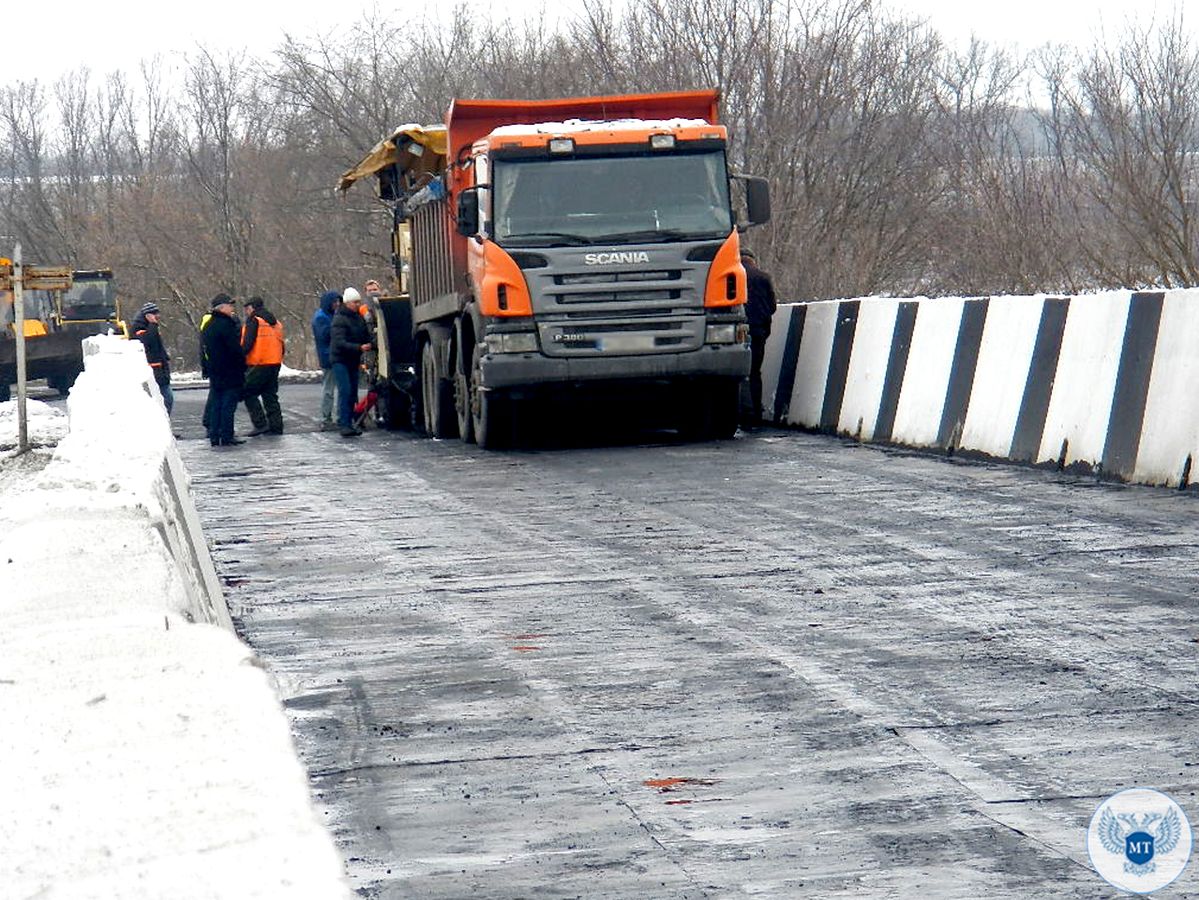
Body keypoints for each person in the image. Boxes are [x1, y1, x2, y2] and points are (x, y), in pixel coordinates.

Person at [202, 294, 246, 447]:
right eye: (230, 305)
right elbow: (234, 349)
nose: (232, 308)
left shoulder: (208, 325)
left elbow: (204, 349)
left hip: (215, 371)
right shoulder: (226, 325)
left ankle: (215, 435)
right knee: (228, 405)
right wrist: (242, 365)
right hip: (230, 371)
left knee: (216, 404)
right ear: (222, 307)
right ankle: (227, 435)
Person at [329, 287, 373, 437]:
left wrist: (370, 343)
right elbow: (339, 342)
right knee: (345, 390)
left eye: (358, 302)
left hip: (352, 359)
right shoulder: (339, 319)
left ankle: (349, 422)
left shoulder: (357, 317)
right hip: (340, 360)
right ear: (347, 303)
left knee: (352, 392)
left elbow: (364, 335)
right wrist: (359, 347)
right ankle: (344, 424)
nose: (357, 304)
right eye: (355, 302)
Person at [741, 248, 777, 428]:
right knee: (755, 371)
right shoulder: (764, 277)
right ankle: (756, 413)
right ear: (753, 260)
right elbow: (772, 307)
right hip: (758, 331)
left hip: (737, 330)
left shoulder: (733, 277)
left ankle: (743, 414)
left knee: (739, 374)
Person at [241, 296, 285, 436]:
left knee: (247, 392)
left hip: (259, 362)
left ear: (252, 307)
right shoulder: (275, 322)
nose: (246, 312)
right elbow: (281, 344)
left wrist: (239, 356)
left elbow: (247, 344)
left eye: (247, 309)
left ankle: (260, 424)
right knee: (270, 394)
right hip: (275, 362)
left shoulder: (255, 320)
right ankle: (276, 426)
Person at [130, 301, 174, 415]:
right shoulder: (140, 328)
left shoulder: (148, 327)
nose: (158, 316)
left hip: (159, 369)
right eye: (155, 314)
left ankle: (166, 424)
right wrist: (153, 324)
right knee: (166, 399)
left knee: (167, 398)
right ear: (148, 315)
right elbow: (150, 342)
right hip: (154, 369)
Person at [312, 290, 341, 431]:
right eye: (334, 302)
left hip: (331, 354)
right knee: (329, 389)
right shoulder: (322, 318)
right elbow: (325, 336)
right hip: (328, 356)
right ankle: (326, 418)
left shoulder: (327, 316)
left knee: (332, 388)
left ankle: (330, 417)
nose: (337, 304)